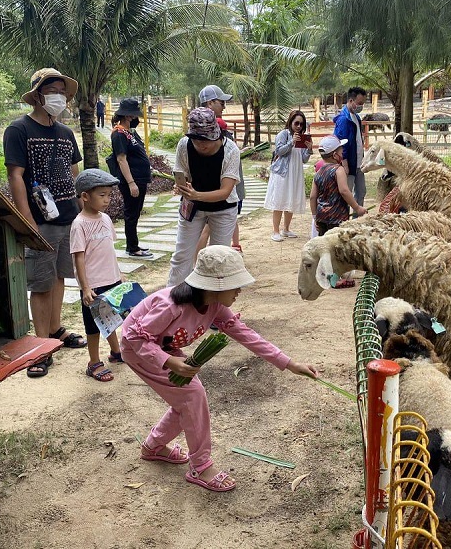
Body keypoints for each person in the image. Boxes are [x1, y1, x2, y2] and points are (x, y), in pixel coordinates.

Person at [121, 245, 318, 492]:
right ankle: (200, 467)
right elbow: (135, 338)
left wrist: (289, 363)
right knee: (192, 396)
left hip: (164, 351)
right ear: (215, 285)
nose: (239, 291)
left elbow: (246, 335)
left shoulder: (214, 306)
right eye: (236, 285)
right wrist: (170, 361)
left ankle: (154, 446)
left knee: (188, 399)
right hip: (140, 351)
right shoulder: (171, 305)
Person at [3, 67, 87, 378]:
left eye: (63, 91)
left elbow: (74, 174)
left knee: (60, 276)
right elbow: (16, 176)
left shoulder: (66, 133)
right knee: (40, 282)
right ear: (37, 94)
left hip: (68, 216)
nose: (59, 96)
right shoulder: (18, 130)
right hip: (40, 221)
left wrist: (84, 212)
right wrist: (27, 220)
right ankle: (40, 345)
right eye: (53, 90)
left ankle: (55, 330)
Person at [167, 107, 240, 286]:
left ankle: (214, 301)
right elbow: (182, 175)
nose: (201, 145)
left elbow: (225, 191)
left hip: (223, 208)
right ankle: (173, 299)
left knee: (218, 257)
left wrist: (197, 195)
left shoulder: (230, 150)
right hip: (192, 207)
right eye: (196, 140)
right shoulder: (184, 145)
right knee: (182, 255)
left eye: (206, 139)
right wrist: (182, 187)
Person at [71, 169, 124, 383]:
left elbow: (109, 249)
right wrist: (85, 287)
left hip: (111, 279)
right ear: (85, 196)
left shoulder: (106, 219)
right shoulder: (79, 225)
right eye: (102, 195)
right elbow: (79, 258)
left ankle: (116, 351)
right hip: (93, 285)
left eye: (109, 195)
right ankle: (93, 362)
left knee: (110, 318)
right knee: (93, 326)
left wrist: (119, 274)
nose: (107, 200)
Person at [310, 135, 368, 287]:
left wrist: (315, 217)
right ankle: (336, 279)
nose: (343, 152)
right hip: (337, 217)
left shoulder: (319, 172)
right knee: (337, 248)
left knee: (325, 248)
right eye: (341, 150)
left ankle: (323, 274)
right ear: (335, 154)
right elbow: (344, 190)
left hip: (322, 216)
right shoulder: (338, 170)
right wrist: (357, 208)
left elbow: (312, 197)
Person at [197, 84, 245, 253]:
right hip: (213, 196)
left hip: (219, 195)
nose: (224, 106)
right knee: (205, 233)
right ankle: (197, 265)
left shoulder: (226, 143)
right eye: (221, 102)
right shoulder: (212, 130)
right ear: (210, 103)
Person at [110, 98, 153, 258]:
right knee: (131, 213)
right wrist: (131, 183)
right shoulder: (119, 134)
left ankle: (133, 244)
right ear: (129, 116)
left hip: (140, 178)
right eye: (135, 115)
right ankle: (132, 248)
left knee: (135, 212)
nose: (137, 118)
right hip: (132, 180)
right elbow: (121, 159)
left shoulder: (128, 133)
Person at [264, 110, 313, 242]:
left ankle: (286, 228)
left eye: (301, 124)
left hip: (295, 171)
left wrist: (309, 149)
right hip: (282, 172)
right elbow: (279, 151)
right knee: (279, 200)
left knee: (291, 198)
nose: (299, 126)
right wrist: (291, 142)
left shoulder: (302, 137)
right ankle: (275, 230)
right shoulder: (283, 134)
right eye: (296, 123)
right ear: (290, 122)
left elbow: (303, 159)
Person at [334, 87, 367, 213]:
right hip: (349, 164)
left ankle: (358, 219)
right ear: (351, 100)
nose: (361, 106)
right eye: (359, 103)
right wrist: (345, 163)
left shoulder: (356, 117)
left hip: (359, 162)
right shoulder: (343, 119)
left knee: (361, 191)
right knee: (347, 193)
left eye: (363, 104)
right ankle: (343, 218)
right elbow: (342, 144)